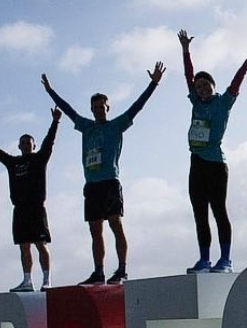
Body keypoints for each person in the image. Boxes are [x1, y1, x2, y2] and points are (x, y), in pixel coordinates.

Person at [41, 62, 165, 285]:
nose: (99, 110)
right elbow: (68, 109)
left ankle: (122, 270)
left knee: (115, 223)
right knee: (95, 229)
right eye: (95, 107)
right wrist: (50, 91)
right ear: (92, 109)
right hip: (92, 185)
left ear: (108, 108)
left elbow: (137, 106)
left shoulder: (116, 125)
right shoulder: (86, 126)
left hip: (110, 182)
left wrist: (153, 84)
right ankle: (98, 272)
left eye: (102, 107)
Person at [178, 29, 247, 274]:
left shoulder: (224, 102)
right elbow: (188, 75)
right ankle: (204, 260)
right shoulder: (196, 102)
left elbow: (238, 78)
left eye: (205, 85)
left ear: (213, 85)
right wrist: (186, 50)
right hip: (196, 163)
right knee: (199, 212)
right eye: (198, 87)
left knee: (218, 210)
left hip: (216, 165)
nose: (201, 89)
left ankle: (226, 260)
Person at [0, 107, 62, 292]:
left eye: (29, 143)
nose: (26, 145)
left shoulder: (39, 159)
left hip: (36, 208)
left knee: (40, 244)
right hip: (20, 210)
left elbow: (49, 142)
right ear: (19, 146)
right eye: (23, 143)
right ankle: (27, 281)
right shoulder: (13, 162)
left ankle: (47, 280)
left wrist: (55, 121)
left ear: (33, 146)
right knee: (24, 246)